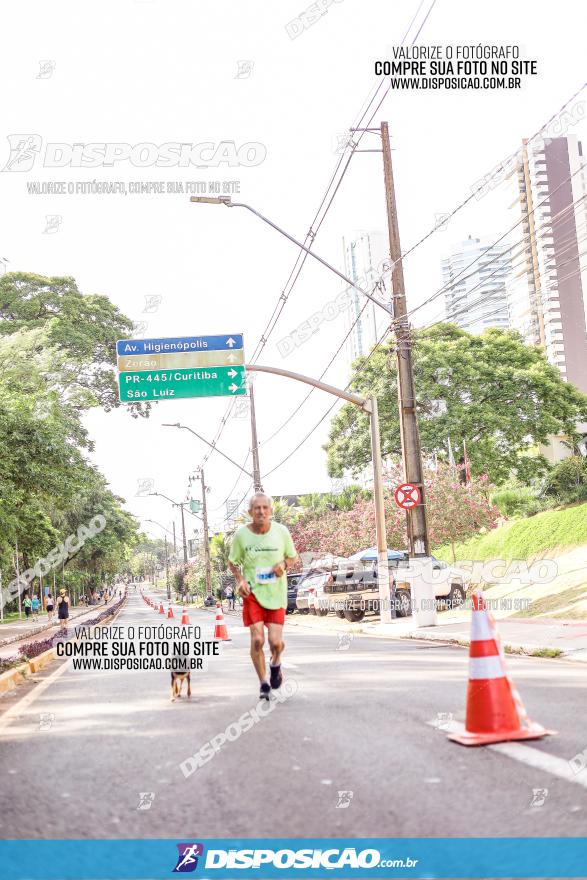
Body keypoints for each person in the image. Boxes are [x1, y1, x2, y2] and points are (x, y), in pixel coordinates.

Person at [228, 493, 298, 701]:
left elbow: (293, 557)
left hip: (276, 593)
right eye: (256, 508)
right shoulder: (241, 535)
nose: (261, 512)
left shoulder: (281, 532)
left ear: (270, 511)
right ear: (250, 512)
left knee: (276, 643)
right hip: (253, 593)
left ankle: (275, 663)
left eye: (265, 508)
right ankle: (263, 682)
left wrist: (283, 565)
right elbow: (233, 562)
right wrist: (240, 580)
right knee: (257, 639)